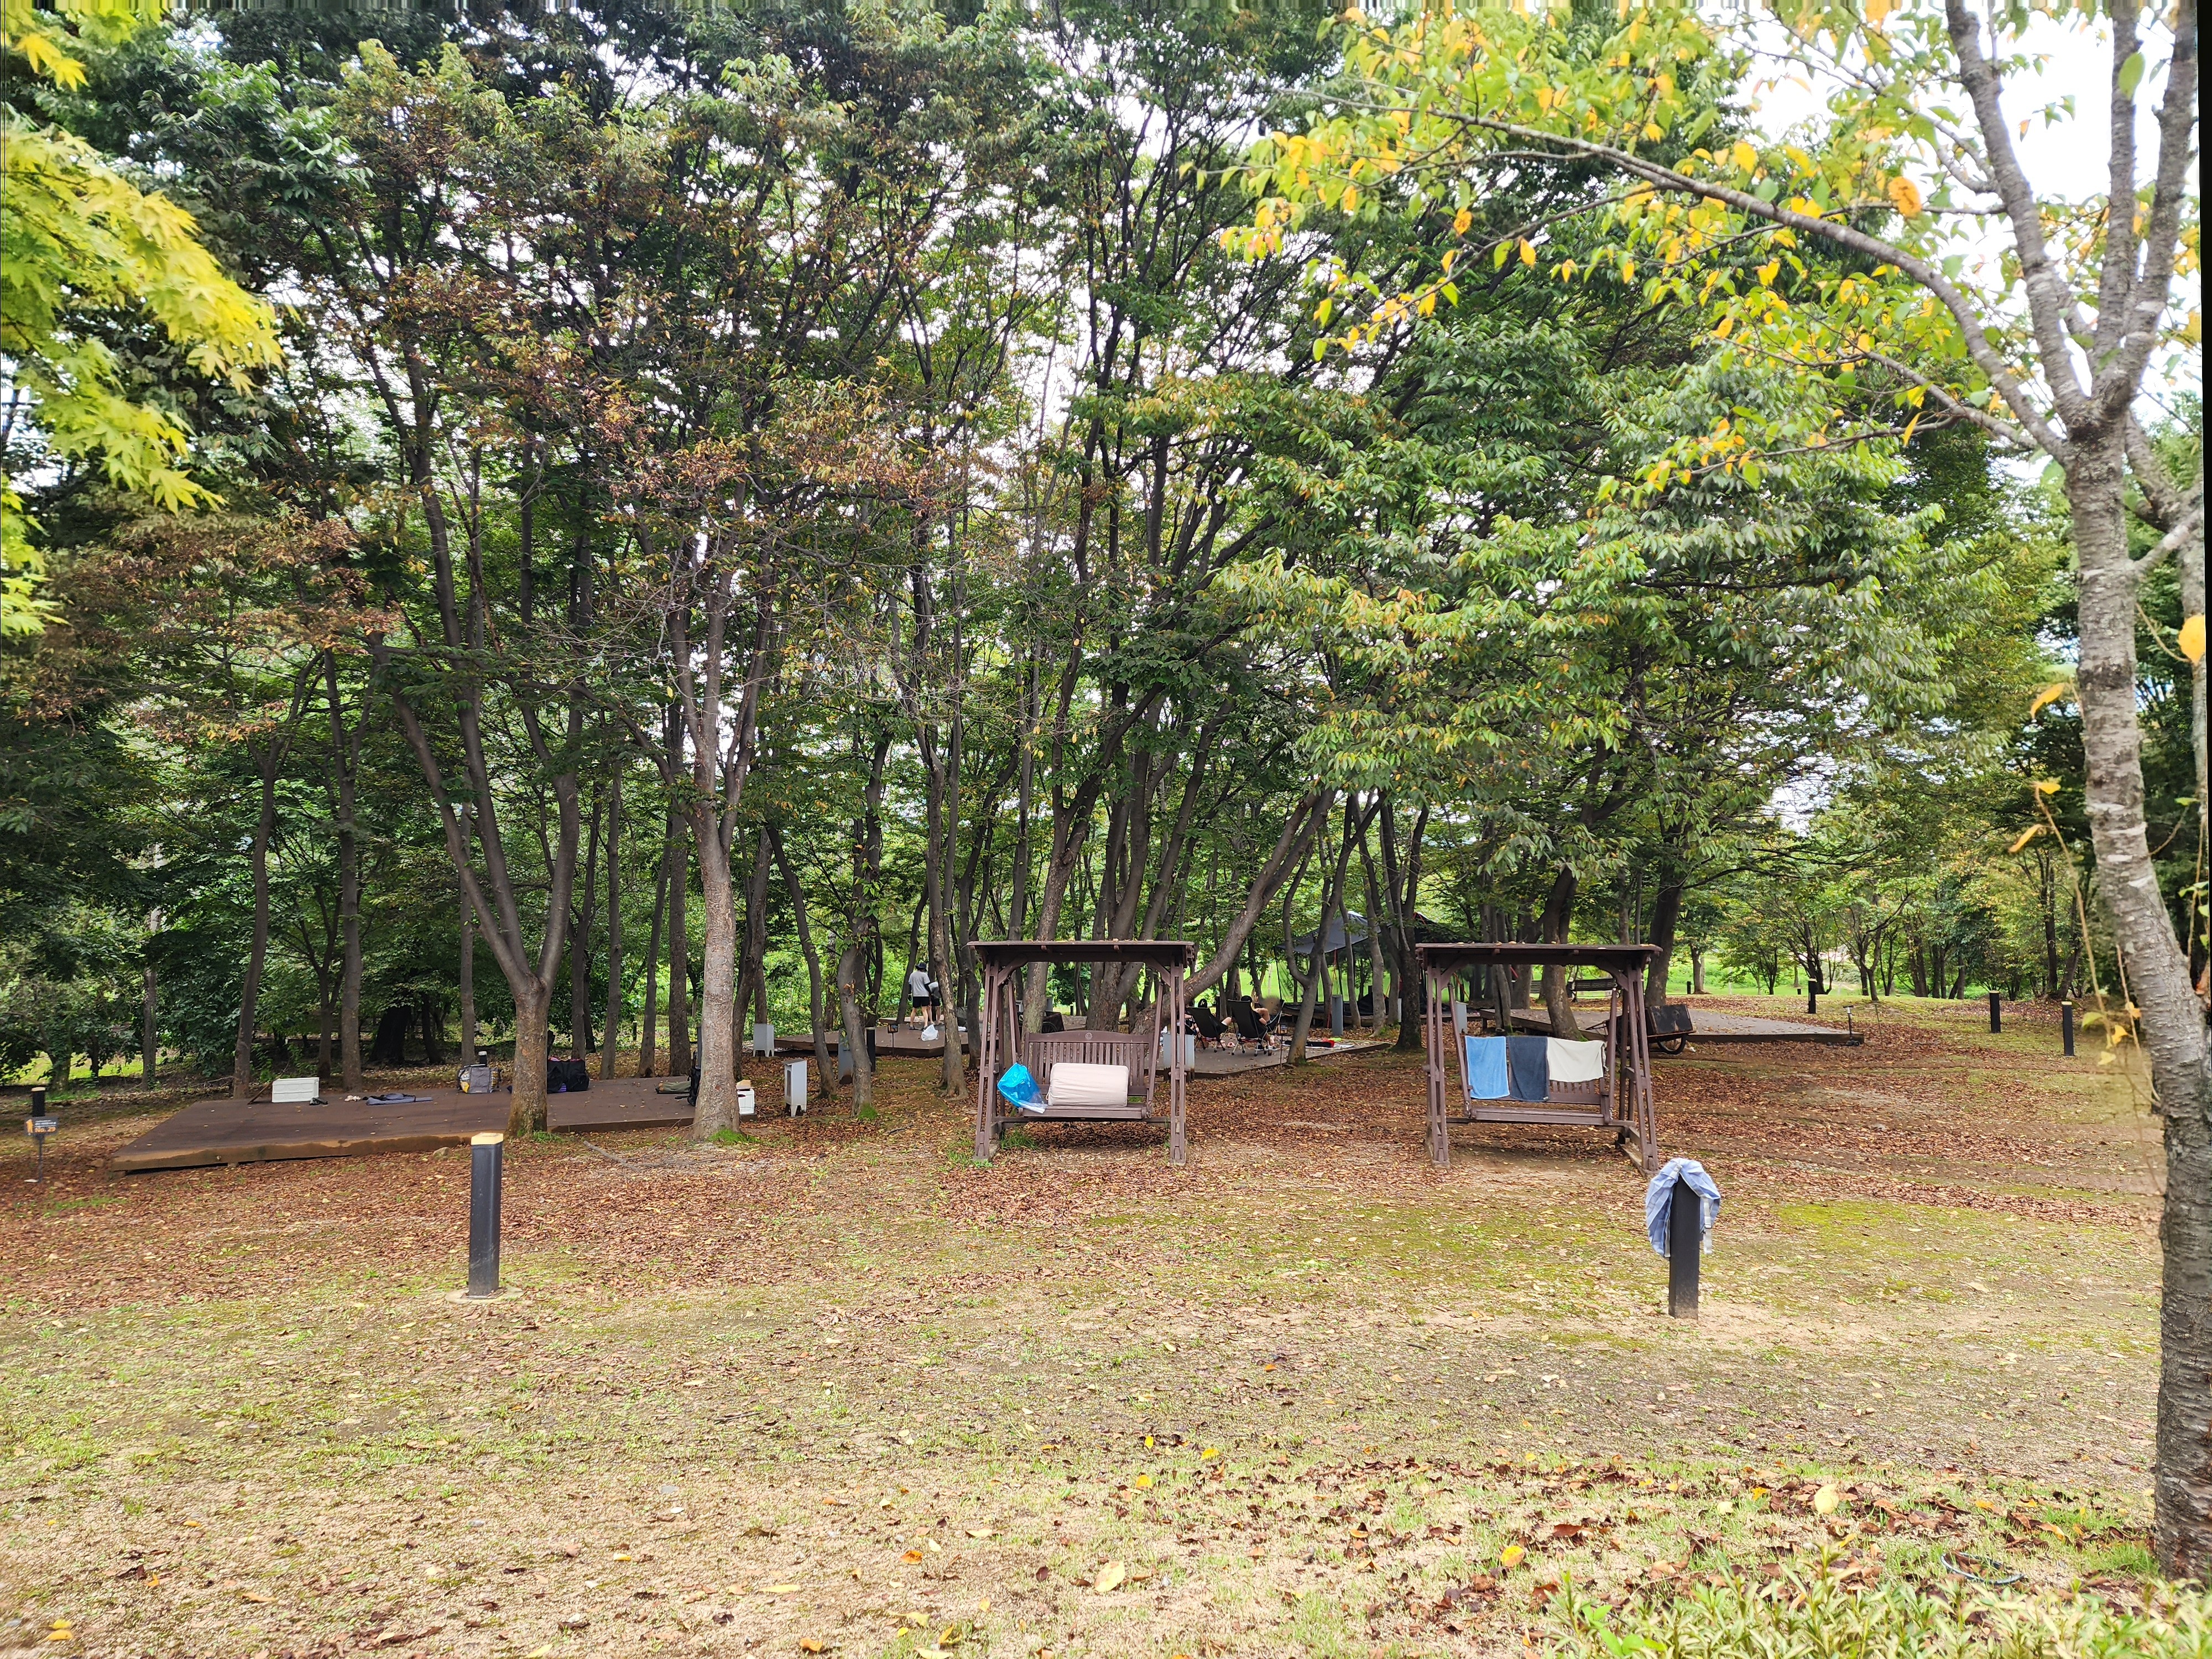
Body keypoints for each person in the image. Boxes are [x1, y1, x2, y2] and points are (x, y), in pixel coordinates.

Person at [906, 963, 933, 1030]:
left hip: (916, 995)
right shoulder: (924, 975)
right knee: (924, 1010)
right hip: (924, 995)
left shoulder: (912, 975)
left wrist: (909, 994)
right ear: (923, 969)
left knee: (914, 1010)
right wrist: (931, 993)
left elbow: (910, 985)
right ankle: (925, 1025)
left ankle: (911, 1025)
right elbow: (927, 985)